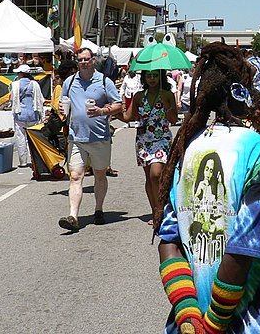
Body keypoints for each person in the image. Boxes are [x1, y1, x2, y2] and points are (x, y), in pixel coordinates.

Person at [155, 43, 260, 333]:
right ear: (243, 93)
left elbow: (169, 242)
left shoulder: (187, 148)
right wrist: (213, 325)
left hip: (192, 317)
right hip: (256, 321)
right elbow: (246, 248)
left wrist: (187, 315)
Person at [58, 47, 122, 232]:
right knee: (76, 176)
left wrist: (102, 111)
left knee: (100, 175)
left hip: (99, 138)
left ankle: (98, 209)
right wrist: (63, 110)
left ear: (93, 60)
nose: (84, 63)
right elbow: (63, 102)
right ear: (77, 62)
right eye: (80, 60)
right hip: (76, 137)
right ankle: (73, 216)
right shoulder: (69, 82)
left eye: (86, 59)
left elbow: (118, 104)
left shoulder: (104, 81)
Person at [122, 69, 178, 226]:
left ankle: (161, 210)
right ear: (144, 77)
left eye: (155, 75)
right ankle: (155, 212)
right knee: (149, 177)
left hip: (162, 139)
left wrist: (167, 106)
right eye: (149, 75)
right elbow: (128, 116)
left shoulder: (167, 94)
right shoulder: (139, 96)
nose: (152, 79)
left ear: (160, 77)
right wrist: (106, 111)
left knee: (156, 174)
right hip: (144, 140)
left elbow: (173, 119)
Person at [10, 64, 45, 168]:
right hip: (33, 115)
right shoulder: (35, 84)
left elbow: (12, 99)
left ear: (21, 74)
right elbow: (40, 99)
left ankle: (23, 162)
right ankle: (35, 159)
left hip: (20, 115)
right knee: (33, 138)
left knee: (21, 138)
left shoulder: (15, 84)